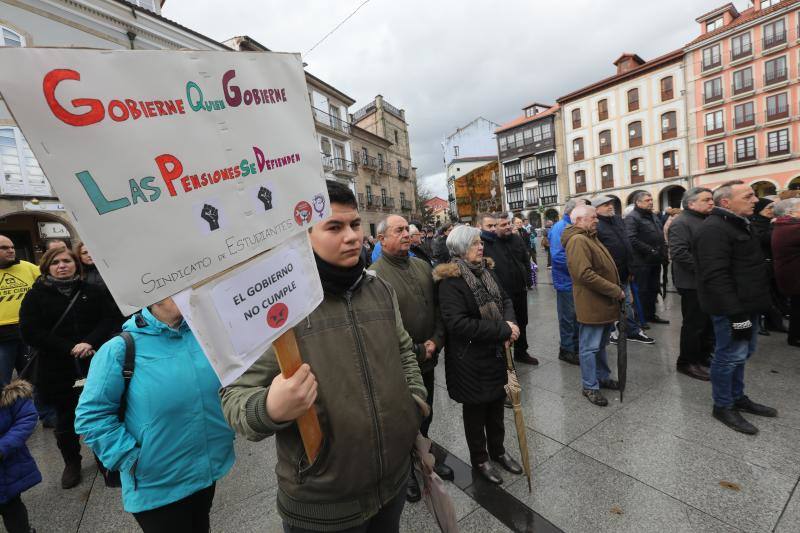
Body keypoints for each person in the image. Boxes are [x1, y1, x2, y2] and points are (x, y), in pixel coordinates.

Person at [221, 181, 428, 533]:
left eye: (355, 224)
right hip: (322, 504)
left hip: (391, 485)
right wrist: (270, 407)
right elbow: (235, 399)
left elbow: (404, 350)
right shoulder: (276, 308)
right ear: (304, 235)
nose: (351, 237)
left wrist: (414, 403)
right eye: (334, 227)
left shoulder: (380, 289)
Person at [74, 297, 235, 532]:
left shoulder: (203, 333)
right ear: (153, 296)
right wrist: (131, 459)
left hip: (207, 469)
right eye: (177, 289)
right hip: (156, 484)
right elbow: (91, 416)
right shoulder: (119, 349)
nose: (187, 294)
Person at [18, 247, 115, 489]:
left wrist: (89, 341)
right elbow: (30, 331)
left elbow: (108, 319)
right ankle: (72, 462)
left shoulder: (91, 292)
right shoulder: (36, 295)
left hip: (93, 362)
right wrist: (69, 347)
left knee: (101, 412)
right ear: (47, 267)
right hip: (56, 367)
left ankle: (104, 459)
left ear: (75, 265)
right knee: (65, 418)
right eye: (56, 262)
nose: (62, 265)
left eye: (67, 261)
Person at [434, 225, 522, 484]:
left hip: (495, 353)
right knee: (476, 413)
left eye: (480, 242)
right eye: (474, 243)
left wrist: (510, 327)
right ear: (460, 249)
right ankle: (481, 459)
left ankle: (499, 451)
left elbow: (505, 300)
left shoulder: (486, 270)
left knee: (496, 408)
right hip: (470, 359)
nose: (481, 247)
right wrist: (502, 329)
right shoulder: (451, 281)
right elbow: (458, 324)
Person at [371, 215, 451, 503]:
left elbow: (439, 309)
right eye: (399, 230)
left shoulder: (421, 265)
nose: (407, 234)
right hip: (400, 365)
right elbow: (381, 330)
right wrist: (418, 349)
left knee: (426, 411)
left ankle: (423, 457)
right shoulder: (374, 276)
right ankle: (405, 472)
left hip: (429, 357)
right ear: (382, 239)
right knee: (404, 418)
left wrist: (436, 341)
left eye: (407, 229)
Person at [694, 180, 777, 434]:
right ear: (726, 202)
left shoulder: (739, 223)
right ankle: (723, 405)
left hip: (747, 304)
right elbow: (716, 277)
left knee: (743, 353)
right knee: (728, 356)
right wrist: (737, 315)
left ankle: (738, 397)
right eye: (749, 196)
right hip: (731, 309)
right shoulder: (714, 229)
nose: (755, 200)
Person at [562, 205, 624, 407]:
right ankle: (590, 385)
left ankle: (602, 377)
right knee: (589, 347)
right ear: (578, 220)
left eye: (596, 217)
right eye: (592, 217)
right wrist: (614, 290)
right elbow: (584, 274)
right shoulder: (578, 240)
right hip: (592, 303)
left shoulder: (589, 235)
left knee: (600, 345)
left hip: (602, 302)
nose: (596, 220)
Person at [593, 196, 655, 346]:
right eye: (605, 205)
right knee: (612, 304)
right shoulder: (596, 225)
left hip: (625, 271)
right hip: (609, 273)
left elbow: (626, 243)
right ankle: (613, 331)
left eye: (611, 204)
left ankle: (630, 330)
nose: (610, 207)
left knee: (626, 303)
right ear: (596, 209)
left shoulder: (618, 220)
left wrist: (631, 268)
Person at [668, 187, 715, 381]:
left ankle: (703, 357)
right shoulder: (681, 222)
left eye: (711, 199)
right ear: (691, 203)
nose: (711, 202)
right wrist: (707, 270)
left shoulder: (706, 220)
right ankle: (687, 362)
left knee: (707, 323)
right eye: (706, 200)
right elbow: (679, 253)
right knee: (694, 324)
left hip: (708, 281)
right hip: (692, 283)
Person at [480, 213, 537, 365]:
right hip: (502, 293)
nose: (507, 227)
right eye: (502, 225)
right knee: (506, 324)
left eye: (508, 224)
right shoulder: (488, 244)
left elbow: (525, 259)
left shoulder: (516, 239)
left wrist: (528, 279)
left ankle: (521, 351)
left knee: (522, 321)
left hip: (519, 289)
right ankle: (504, 357)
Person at [0, 379, 41, 533]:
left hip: (7, 469)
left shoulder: (9, 396)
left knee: (13, 511)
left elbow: (27, 417)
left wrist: (3, 446)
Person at [550, 199, 586, 365]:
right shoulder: (560, 228)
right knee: (567, 318)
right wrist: (583, 265)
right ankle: (566, 350)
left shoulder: (573, 226)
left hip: (576, 281)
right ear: (572, 213)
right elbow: (558, 257)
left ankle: (575, 346)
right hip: (566, 281)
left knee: (577, 316)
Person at [0, 236, 40, 385]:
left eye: (12, 247)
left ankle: (34, 408)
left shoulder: (28, 267)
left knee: (34, 381)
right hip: (2, 337)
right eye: (4, 248)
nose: (11, 250)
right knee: (2, 383)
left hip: (29, 331)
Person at [625, 192, 669, 325]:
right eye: (647, 200)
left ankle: (651, 315)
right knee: (642, 290)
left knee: (653, 289)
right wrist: (650, 250)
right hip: (641, 261)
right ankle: (640, 319)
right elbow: (631, 238)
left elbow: (659, 234)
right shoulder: (632, 218)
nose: (651, 202)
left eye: (651, 199)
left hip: (655, 260)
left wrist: (663, 251)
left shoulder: (653, 216)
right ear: (638, 203)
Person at [749, 197, 786, 335]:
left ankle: (774, 323)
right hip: (762, 264)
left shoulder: (770, 222)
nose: (772, 211)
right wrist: (774, 226)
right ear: (759, 210)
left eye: (773, 207)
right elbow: (766, 239)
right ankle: (759, 325)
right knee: (764, 297)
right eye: (769, 208)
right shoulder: (754, 223)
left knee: (776, 296)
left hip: (773, 263)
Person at [771, 198, 800, 348]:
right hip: (794, 275)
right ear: (791, 212)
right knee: (797, 308)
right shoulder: (792, 227)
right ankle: (795, 338)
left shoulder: (785, 225)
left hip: (791, 274)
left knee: (796, 307)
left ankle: (795, 337)